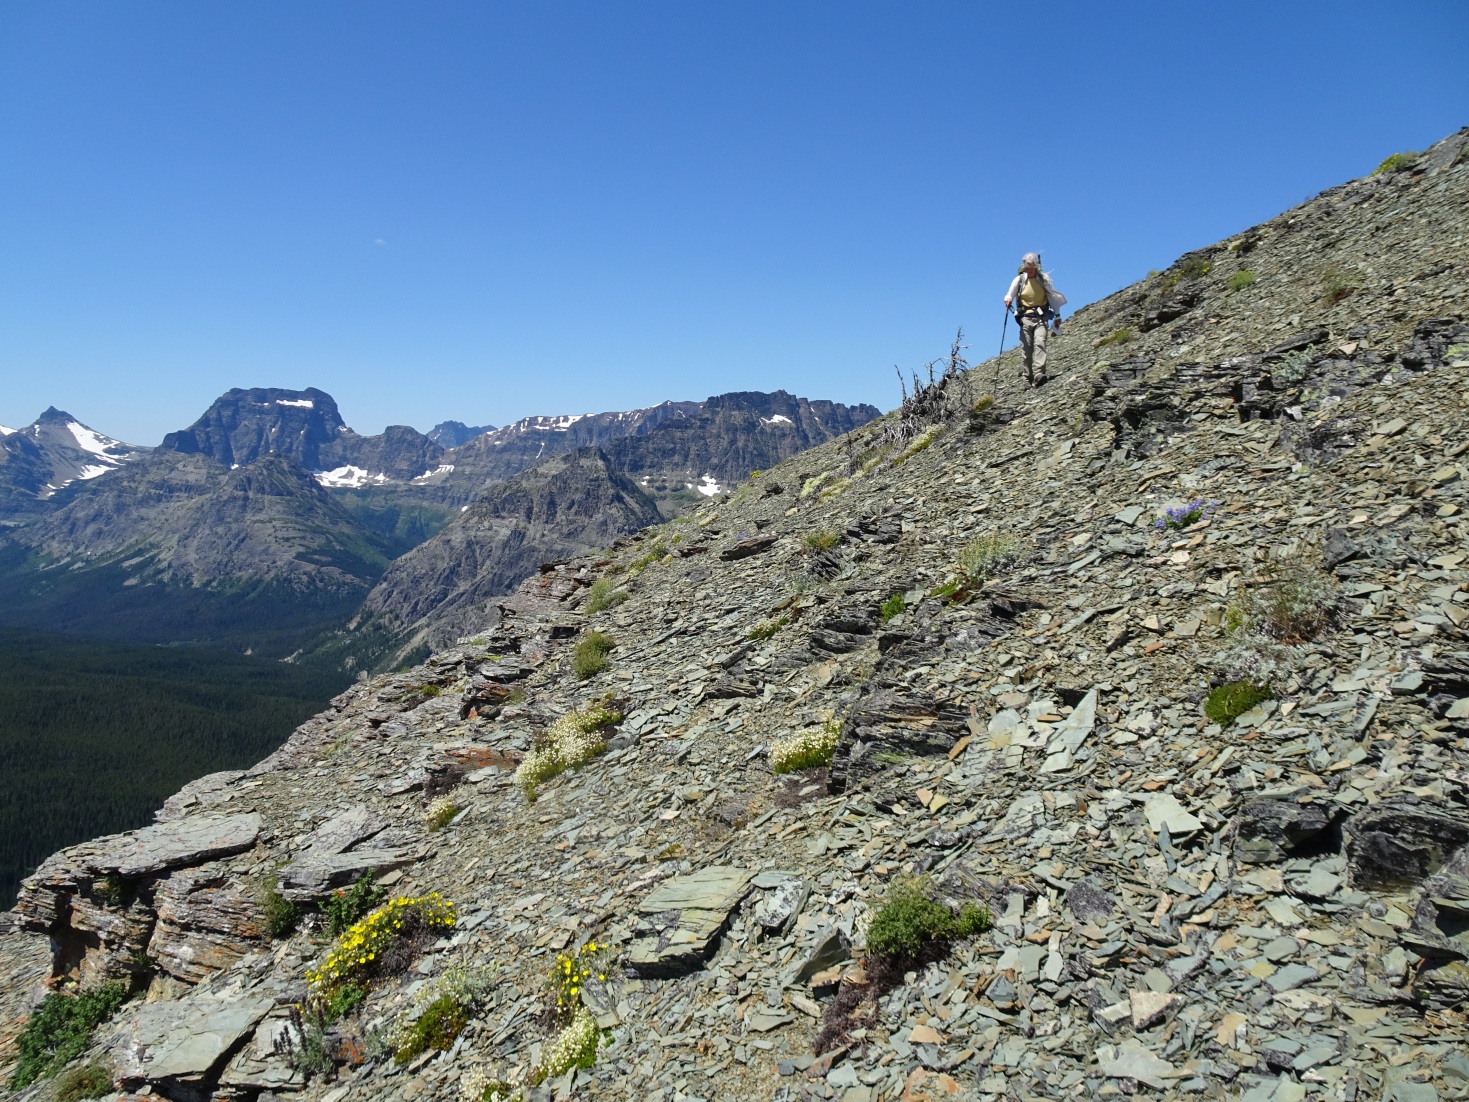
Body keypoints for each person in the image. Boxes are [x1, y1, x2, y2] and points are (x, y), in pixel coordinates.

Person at [1003, 253, 1067, 386]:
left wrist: (1057, 315)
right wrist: (1008, 299)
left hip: (1041, 318)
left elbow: (1052, 297)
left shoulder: (1043, 280)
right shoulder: (1019, 280)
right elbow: (1010, 293)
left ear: (1036, 267)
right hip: (1025, 318)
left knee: (1040, 342)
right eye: (1027, 268)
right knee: (1026, 349)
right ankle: (1027, 377)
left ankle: (1039, 374)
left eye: (1031, 268)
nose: (1029, 270)